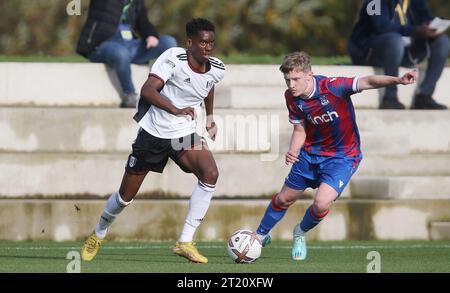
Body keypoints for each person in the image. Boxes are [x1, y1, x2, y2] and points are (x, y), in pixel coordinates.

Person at [80, 18, 225, 264]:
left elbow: (208, 85)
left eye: (211, 42)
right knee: (125, 197)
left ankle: (185, 241)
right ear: (189, 43)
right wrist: (176, 110)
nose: (208, 47)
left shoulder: (218, 68)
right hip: (154, 133)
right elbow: (148, 90)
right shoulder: (172, 58)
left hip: (183, 133)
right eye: (202, 42)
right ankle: (99, 232)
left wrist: (209, 118)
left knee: (210, 173)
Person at [255, 51, 416, 260]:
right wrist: (293, 150)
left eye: (295, 79)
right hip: (310, 155)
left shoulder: (333, 87)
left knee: (321, 204)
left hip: (343, 157)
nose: (291, 85)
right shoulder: (291, 98)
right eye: (287, 80)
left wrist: (397, 80)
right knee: (284, 199)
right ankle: (258, 237)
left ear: (309, 75)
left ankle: (300, 232)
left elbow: (367, 81)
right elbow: (300, 129)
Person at [348, 0, 449, 110]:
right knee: (394, 40)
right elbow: (383, 27)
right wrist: (417, 30)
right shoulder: (374, 2)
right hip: (372, 53)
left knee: (442, 41)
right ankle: (390, 98)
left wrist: (433, 27)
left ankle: (424, 96)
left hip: (405, 53)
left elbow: (426, 18)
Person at [76, 0, 177, 108]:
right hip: (102, 45)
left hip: (129, 45)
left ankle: (172, 92)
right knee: (121, 53)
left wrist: (151, 35)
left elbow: (143, 21)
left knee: (168, 42)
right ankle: (130, 95)